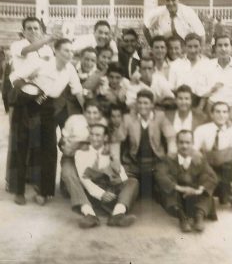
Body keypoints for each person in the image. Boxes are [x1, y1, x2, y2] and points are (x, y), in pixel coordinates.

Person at [7, 38, 84, 206]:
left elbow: (78, 91)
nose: (69, 54)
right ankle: (19, 191)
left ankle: (45, 191)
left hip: (47, 107)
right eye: (65, 50)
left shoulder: (70, 69)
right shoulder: (40, 63)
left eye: (71, 51)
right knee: (23, 146)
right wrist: (27, 86)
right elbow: (14, 76)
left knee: (49, 149)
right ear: (56, 50)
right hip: (27, 105)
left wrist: (87, 111)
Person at [74, 124, 138, 228]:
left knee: (132, 181)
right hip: (92, 191)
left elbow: (121, 175)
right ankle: (90, 216)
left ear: (105, 138)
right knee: (76, 181)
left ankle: (117, 215)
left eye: (98, 135)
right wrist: (101, 194)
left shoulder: (110, 151)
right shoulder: (81, 153)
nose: (94, 138)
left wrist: (118, 183)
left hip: (110, 188)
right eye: (92, 134)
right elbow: (84, 179)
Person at [155, 130, 218, 233]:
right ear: (176, 144)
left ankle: (199, 217)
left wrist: (198, 190)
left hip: (195, 196)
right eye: (181, 142)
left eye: (188, 143)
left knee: (206, 188)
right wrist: (180, 188)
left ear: (192, 144)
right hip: (178, 196)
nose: (184, 146)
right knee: (167, 189)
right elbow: (159, 175)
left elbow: (212, 177)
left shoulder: (199, 158)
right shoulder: (168, 159)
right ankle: (182, 218)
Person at [119, 89, 176, 197]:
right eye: (139, 103)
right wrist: (117, 161)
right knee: (123, 182)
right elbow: (117, 139)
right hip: (135, 162)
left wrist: (170, 157)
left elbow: (171, 137)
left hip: (156, 162)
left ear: (152, 105)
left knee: (165, 184)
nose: (142, 106)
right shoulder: (128, 118)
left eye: (146, 103)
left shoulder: (160, 116)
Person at [202, 35, 232, 123]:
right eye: (220, 45)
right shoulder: (207, 65)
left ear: (231, 47)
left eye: (226, 45)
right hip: (212, 110)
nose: (223, 49)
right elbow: (201, 92)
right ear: (215, 48)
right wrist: (211, 90)